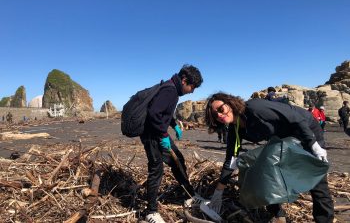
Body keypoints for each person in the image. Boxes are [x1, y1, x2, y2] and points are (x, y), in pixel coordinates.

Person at [205, 93, 334, 223]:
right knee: (262, 173)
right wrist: (218, 192)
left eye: (221, 109)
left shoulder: (254, 107)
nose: (220, 115)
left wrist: (313, 144)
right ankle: (278, 214)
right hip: (284, 139)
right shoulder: (235, 128)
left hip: (305, 129)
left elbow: (296, 118)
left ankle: (324, 220)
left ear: (230, 103)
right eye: (215, 115)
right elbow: (231, 160)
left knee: (316, 180)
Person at [141, 64, 203, 223]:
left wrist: (174, 124)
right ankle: (151, 212)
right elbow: (154, 113)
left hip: (158, 133)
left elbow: (164, 112)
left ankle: (189, 195)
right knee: (156, 169)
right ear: (184, 80)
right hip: (151, 135)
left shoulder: (172, 89)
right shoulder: (170, 90)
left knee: (178, 161)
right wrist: (163, 136)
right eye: (192, 87)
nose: (192, 91)